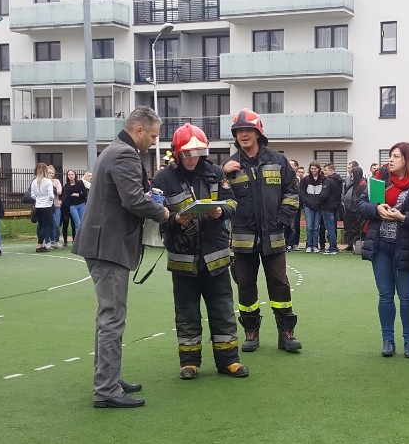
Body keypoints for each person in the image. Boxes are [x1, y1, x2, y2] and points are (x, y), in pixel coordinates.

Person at [72, 106, 170, 409]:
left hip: (104, 245)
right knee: (112, 318)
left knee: (108, 317)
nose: (154, 141)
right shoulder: (125, 154)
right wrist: (163, 212)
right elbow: (134, 200)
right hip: (108, 247)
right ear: (138, 130)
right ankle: (106, 389)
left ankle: (109, 378)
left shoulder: (113, 150)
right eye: (153, 135)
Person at [151, 123, 249, 380]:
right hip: (183, 258)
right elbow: (155, 213)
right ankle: (190, 362)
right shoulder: (163, 179)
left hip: (215, 256)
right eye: (187, 154)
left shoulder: (215, 173)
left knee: (223, 310)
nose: (192, 158)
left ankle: (229, 360)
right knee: (186, 312)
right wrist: (175, 220)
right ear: (177, 153)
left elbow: (232, 202)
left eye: (197, 153)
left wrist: (221, 211)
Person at [222, 108, 302, 353]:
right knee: (245, 285)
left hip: (273, 235)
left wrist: (282, 219)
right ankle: (251, 333)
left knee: (280, 284)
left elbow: (291, 192)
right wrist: (221, 175)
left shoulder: (277, 161)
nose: (243, 135)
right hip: (243, 240)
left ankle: (286, 334)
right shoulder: (229, 167)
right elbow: (221, 199)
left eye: (248, 130)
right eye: (239, 131)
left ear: (258, 133)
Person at [357, 142, 409, 359]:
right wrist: (376, 209)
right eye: (390, 156)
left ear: (408, 160)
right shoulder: (379, 177)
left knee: (407, 296)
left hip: (408, 246)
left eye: (396, 157)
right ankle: (388, 340)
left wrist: (403, 218)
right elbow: (360, 205)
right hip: (380, 245)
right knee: (385, 295)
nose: (390, 160)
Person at [299, 161, 325, 253]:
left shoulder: (323, 179)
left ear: (318, 169)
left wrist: (319, 202)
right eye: (312, 168)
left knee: (316, 227)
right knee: (309, 227)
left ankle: (315, 245)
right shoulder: (306, 179)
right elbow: (302, 192)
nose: (313, 170)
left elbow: (324, 193)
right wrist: (307, 201)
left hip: (319, 206)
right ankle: (309, 245)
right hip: (308, 206)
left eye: (315, 168)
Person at [319, 162, 344, 254]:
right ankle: (334, 247)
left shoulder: (328, 181)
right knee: (333, 228)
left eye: (325, 170)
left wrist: (319, 201)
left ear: (331, 170)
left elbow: (324, 195)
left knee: (330, 229)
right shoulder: (339, 180)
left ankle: (333, 248)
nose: (323, 172)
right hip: (335, 206)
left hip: (327, 207)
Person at [31, 163, 55, 253]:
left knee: (41, 225)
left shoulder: (34, 181)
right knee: (45, 226)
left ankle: (41, 245)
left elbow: (33, 195)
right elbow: (51, 195)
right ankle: (39, 245)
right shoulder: (48, 181)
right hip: (46, 206)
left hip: (38, 205)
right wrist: (49, 200)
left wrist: (39, 199)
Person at [62, 170, 88, 247]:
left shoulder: (80, 183)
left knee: (82, 223)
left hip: (82, 204)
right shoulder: (67, 186)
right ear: (67, 176)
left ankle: (83, 240)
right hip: (73, 206)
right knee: (78, 223)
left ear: (75, 175)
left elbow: (84, 193)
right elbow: (68, 197)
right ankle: (78, 241)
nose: (71, 176)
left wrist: (78, 194)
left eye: (72, 174)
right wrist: (77, 195)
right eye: (69, 175)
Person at [344, 166, 367, 251]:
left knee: (358, 228)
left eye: (353, 174)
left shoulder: (363, 184)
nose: (351, 175)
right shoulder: (353, 183)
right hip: (350, 207)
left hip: (358, 209)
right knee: (349, 227)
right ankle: (350, 245)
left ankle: (357, 245)